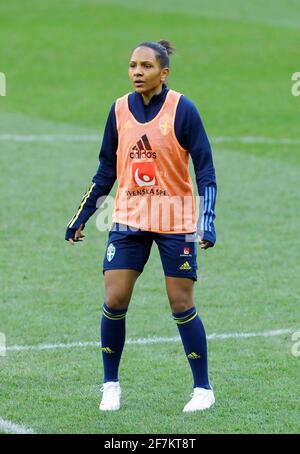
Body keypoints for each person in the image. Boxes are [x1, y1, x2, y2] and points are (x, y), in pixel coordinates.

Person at [65, 40, 217, 413]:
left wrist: (206, 222)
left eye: (146, 66)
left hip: (174, 221)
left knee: (181, 303)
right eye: (133, 65)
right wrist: (81, 216)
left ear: (163, 73)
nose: (137, 72)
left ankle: (203, 389)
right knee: (114, 299)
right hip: (128, 219)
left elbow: (206, 171)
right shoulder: (118, 110)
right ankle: (111, 385)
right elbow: (105, 171)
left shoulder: (183, 110)